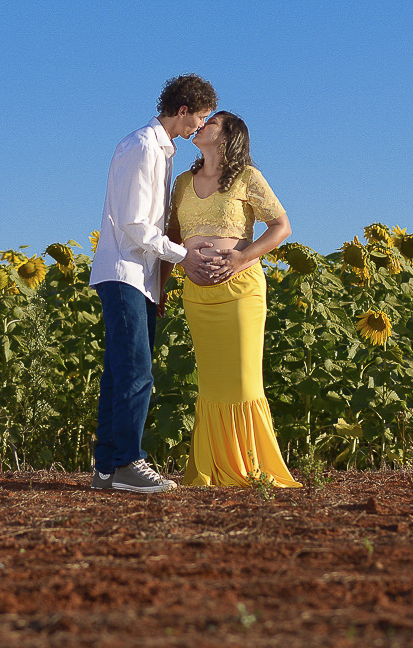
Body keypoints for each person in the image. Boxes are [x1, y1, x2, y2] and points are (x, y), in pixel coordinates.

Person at [88, 74, 230, 494]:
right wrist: (183, 255)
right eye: (201, 116)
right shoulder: (142, 147)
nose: (201, 125)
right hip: (124, 272)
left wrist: (159, 283)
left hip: (140, 277)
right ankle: (128, 463)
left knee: (119, 373)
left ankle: (107, 469)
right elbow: (134, 224)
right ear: (183, 110)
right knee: (137, 372)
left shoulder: (161, 150)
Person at [166, 111, 300, 487]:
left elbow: (281, 226)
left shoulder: (247, 177)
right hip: (197, 296)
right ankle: (212, 469)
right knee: (210, 385)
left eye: (211, 122)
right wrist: (173, 274)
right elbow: (172, 236)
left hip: (241, 291)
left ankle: (252, 468)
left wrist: (242, 257)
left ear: (227, 136)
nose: (201, 125)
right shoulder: (181, 182)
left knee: (243, 382)